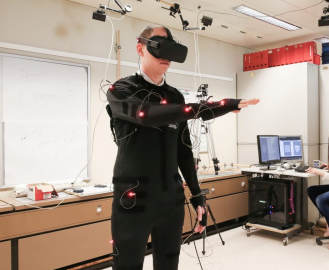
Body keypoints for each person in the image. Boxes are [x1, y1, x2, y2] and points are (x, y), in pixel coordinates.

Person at [106, 25, 259, 270]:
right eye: (159, 48)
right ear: (140, 48)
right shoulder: (121, 90)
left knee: (168, 265)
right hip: (133, 200)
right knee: (126, 265)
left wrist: (198, 196)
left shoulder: (175, 96)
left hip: (171, 200)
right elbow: (146, 114)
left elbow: (183, 150)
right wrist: (217, 106)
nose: (166, 57)